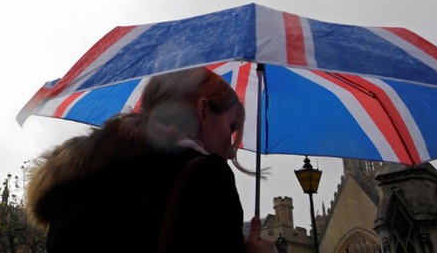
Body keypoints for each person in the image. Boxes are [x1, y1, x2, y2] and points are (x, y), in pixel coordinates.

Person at [25, 67, 277, 253]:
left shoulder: (77, 179)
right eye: (231, 127)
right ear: (202, 111)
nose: (232, 149)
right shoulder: (205, 179)